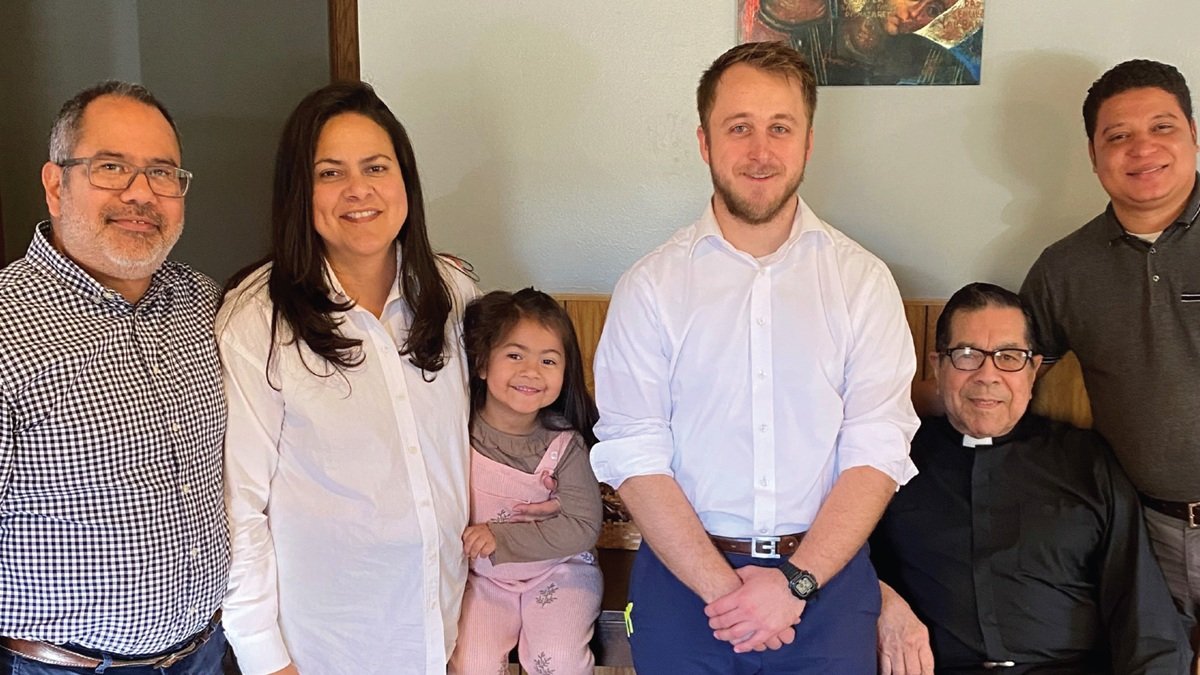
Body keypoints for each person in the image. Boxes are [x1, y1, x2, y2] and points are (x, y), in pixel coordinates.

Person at [590, 41, 919, 673]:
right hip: (685, 583)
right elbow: (634, 451)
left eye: (780, 128)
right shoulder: (651, 286)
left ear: (808, 142)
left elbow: (877, 448)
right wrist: (727, 592)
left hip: (825, 584)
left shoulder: (863, 282)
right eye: (738, 128)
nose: (760, 151)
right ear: (704, 142)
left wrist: (794, 583)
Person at [217, 82, 553, 675]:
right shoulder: (257, 322)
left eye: (376, 167)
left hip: (442, 630)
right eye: (330, 172)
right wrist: (266, 660)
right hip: (322, 647)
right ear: (300, 190)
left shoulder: (453, 295)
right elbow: (236, 507)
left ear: (405, 182)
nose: (359, 190)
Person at [0, 81, 228, 673]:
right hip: (58, 666)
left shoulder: (207, 305)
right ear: (56, 185)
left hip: (205, 652)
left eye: (162, 173)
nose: (140, 194)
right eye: (110, 167)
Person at [873, 283, 1191, 675]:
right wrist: (881, 599)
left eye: (1009, 356)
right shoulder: (889, 458)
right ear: (939, 367)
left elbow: (1142, 612)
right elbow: (841, 558)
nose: (988, 375)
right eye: (967, 355)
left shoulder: (1086, 461)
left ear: (1033, 370)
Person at [1019, 59, 1200, 649]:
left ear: (1193, 136)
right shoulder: (1064, 269)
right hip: (1145, 530)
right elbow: (1009, 376)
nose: (1141, 149)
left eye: (1163, 127)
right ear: (1094, 156)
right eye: (1118, 136)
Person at [448, 288, 603, 675]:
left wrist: (501, 536)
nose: (531, 371)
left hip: (560, 571)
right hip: (482, 577)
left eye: (548, 360)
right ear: (482, 364)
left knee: (558, 659)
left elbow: (583, 527)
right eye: (515, 355)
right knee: (472, 662)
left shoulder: (565, 445)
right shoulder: (453, 431)